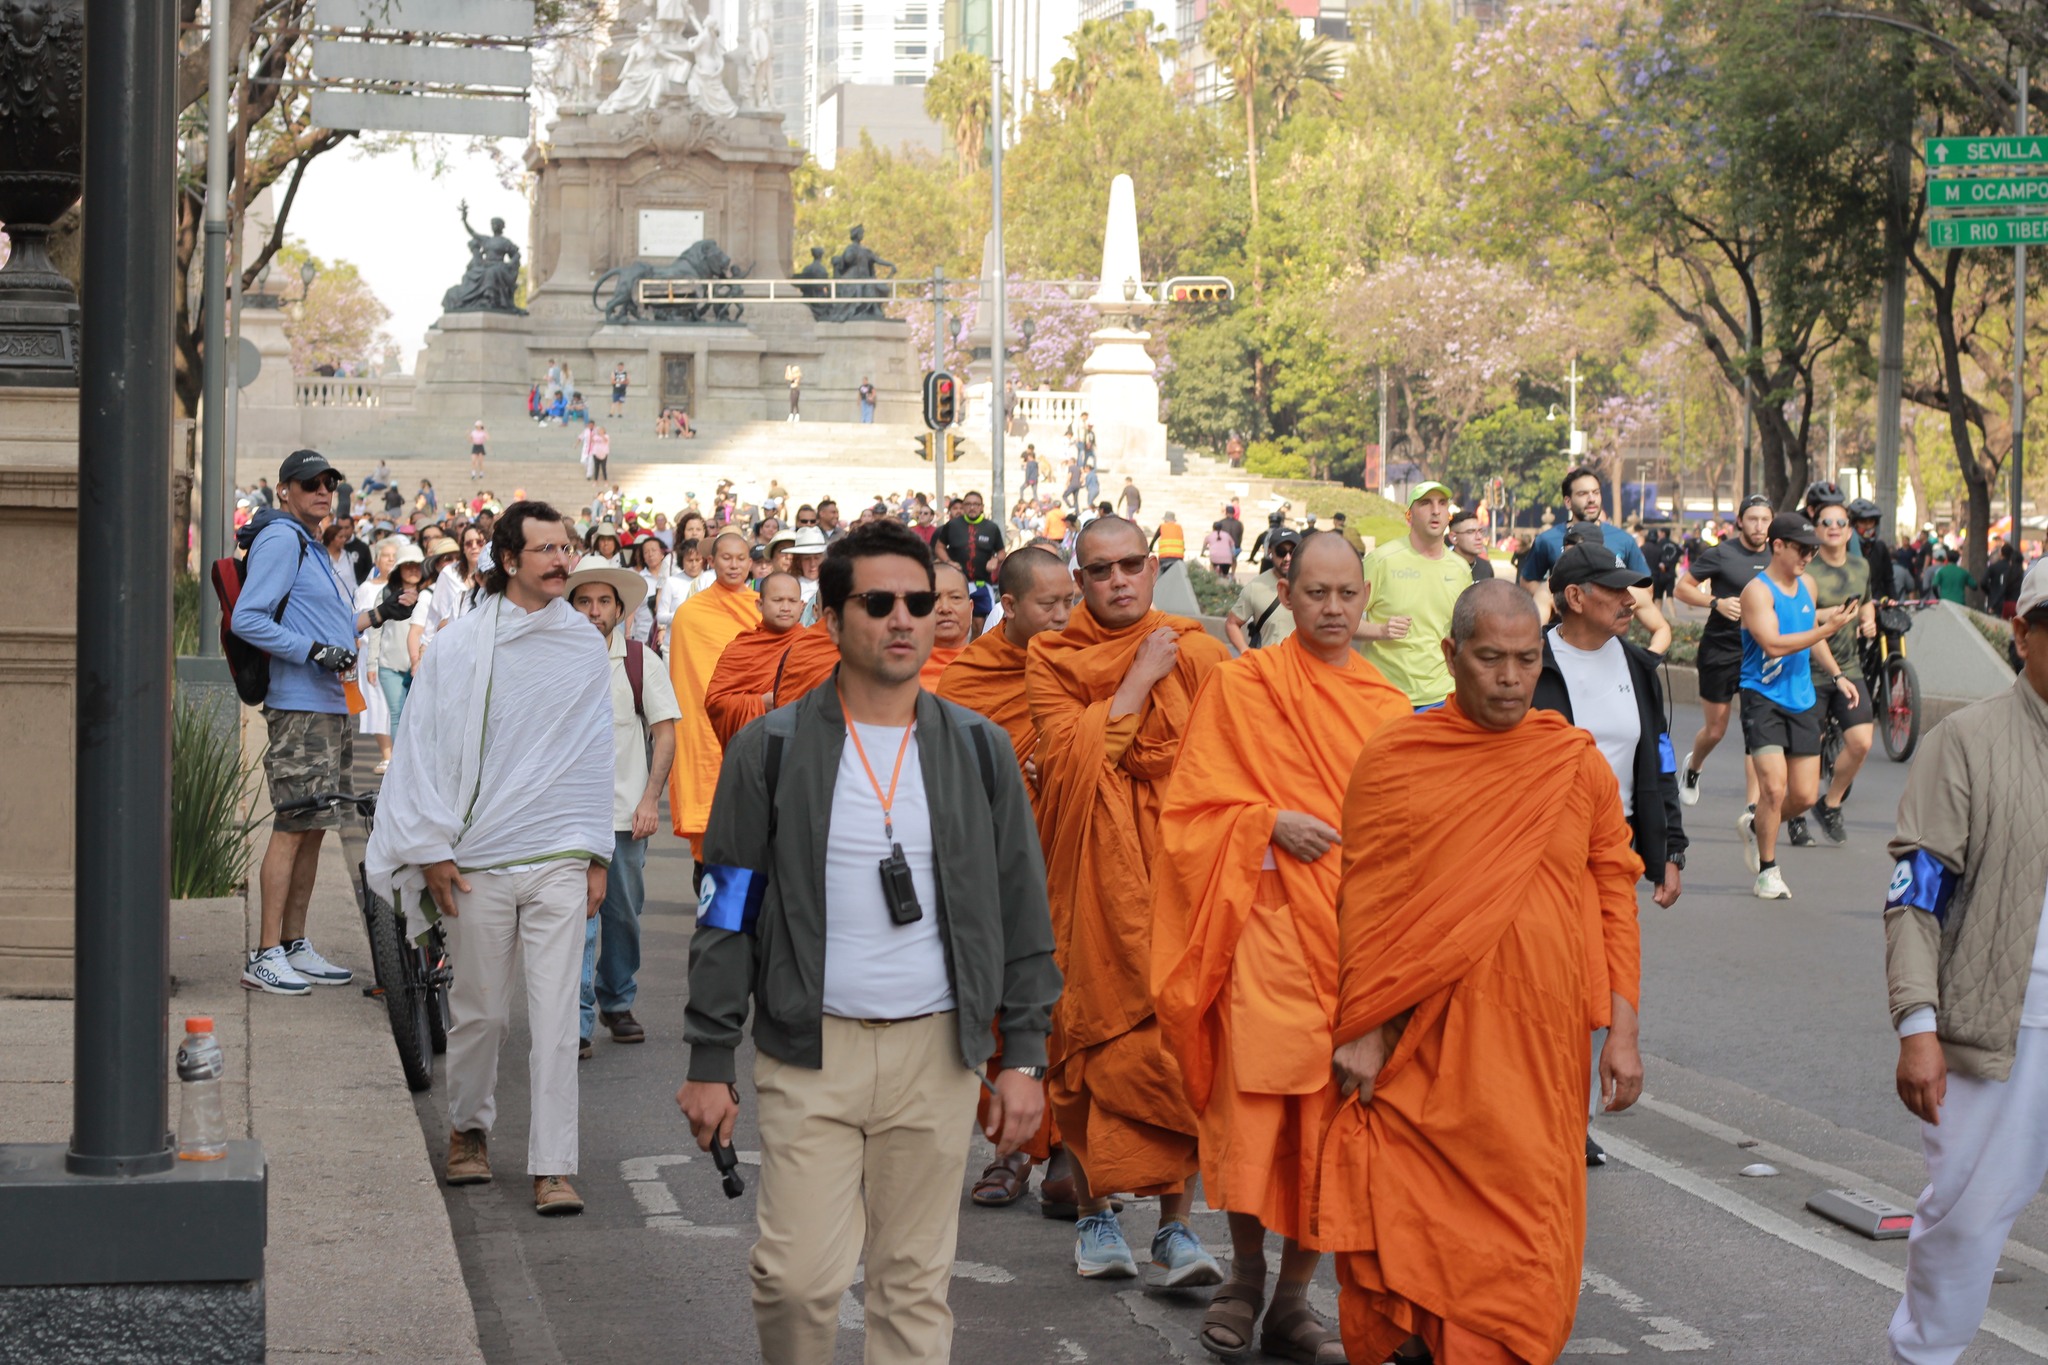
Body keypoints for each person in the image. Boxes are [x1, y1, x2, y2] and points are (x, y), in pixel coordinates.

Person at [677, 519, 1059, 1365]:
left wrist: (1026, 1057)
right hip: (810, 1052)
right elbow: (727, 913)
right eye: (878, 602)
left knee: (912, 1287)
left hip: (937, 1055)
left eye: (918, 602)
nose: (903, 619)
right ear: (832, 617)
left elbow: (1022, 911)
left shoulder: (979, 748)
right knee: (795, 1281)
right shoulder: (770, 749)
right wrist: (709, 1056)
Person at [1323, 580, 1644, 1365]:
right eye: (1491, 658)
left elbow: (1615, 890)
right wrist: (1361, 1025)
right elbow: (1366, 899)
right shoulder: (1398, 759)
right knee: (1411, 1215)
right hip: (1423, 1040)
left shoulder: (1571, 763)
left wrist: (1624, 1029)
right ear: (1450, 654)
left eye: (1526, 660)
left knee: (1526, 1229)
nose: (1509, 678)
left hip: (1539, 1046)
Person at [1152, 533, 1409, 1364]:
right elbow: (1190, 810)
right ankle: (1244, 1275)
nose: (1333, 608)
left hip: (1349, 941)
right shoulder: (1244, 685)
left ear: (1365, 599)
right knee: (1257, 1110)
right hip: (1262, 931)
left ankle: (1294, 1297)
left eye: (1347, 594)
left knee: (1329, 1124)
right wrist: (1265, 822)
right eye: (1316, 593)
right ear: (1286, 595)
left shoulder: (1386, 707)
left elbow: (1403, 843)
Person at [366, 501, 612, 1216]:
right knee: (481, 1014)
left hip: (560, 852)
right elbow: (422, 746)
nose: (562, 561)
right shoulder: (458, 645)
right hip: (476, 858)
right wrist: (431, 849)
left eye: (566, 548)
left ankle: (553, 1165)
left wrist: (597, 852)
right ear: (509, 560)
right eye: (547, 550)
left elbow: (594, 754)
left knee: (557, 1016)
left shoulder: (582, 645)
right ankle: (468, 1130)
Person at [1025, 515, 1230, 1285]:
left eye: (1131, 564)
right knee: (1090, 1040)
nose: (1118, 580)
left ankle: (1177, 1229)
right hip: (1092, 875)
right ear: (1079, 580)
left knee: (1183, 1045)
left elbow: (1227, 759)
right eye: (1101, 569)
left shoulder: (1201, 652)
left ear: (1152, 568)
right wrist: (1139, 678)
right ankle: (1094, 1215)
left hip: (1181, 869)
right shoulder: (1053, 656)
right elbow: (1073, 760)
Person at [1885, 560, 2048, 1365]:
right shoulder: (1966, 742)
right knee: (1964, 1223)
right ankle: (1925, 1355)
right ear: (2022, 634)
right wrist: (1918, 1024)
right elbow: (1916, 895)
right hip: (1997, 1027)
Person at [230, 450, 418, 994]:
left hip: (330, 703)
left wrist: (378, 615)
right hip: (300, 704)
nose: (322, 491)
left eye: (329, 483)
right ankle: (265, 953)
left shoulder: (311, 545)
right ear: (284, 490)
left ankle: (293, 943)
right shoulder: (281, 539)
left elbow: (330, 626)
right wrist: (312, 651)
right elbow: (247, 618)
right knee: (293, 825)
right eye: (309, 482)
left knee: (314, 827)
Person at [937, 545, 1075, 1208]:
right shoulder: (970, 675)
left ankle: (1070, 1151)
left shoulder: (1088, 662)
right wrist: (1009, 775)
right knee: (1002, 1000)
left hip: (1078, 855)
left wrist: (1069, 764)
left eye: (1070, 601)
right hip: (1002, 864)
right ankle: (1009, 1150)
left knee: (1075, 1005)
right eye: (1050, 605)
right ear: (1011, 605)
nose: (1064, 616)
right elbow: (948, 774)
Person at [564, 555, 680, 1056]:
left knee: (623, 914)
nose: (594, 611)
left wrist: (651, 799)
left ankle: (617, 999)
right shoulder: (551, 660)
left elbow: (665, 734)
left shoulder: (640, 661)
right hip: (566, 818)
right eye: (583, 601)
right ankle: (577, 1020)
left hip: (626, 817)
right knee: (577, 920)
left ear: (618, 609)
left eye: (603, 602)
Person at [1736, 513, 1861, 900]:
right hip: (1762, 697)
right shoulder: (1757, 592)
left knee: (1805, 796)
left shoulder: (1807, 584)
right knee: (1774, 788)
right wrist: (1826, 628)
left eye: (1813, 551)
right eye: (1802, 549)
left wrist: (1838, 675)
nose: (1809, 557)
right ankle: (1768, 871)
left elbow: (1810, 637)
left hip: (1802, 698)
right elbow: (1773, 644)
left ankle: (1756, 825)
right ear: (1778, 546)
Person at [1674, 494, 1775, 810]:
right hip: (1721, 648)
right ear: (1740, 522)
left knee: (1755, 731)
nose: (1759, 526)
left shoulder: (1779, 555)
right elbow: (1682, 588)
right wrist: (1715, 602)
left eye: (1765, 520)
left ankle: (1751, 810)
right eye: (1753, 519)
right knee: (1716, 730)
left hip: (1760, 653)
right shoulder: (1721, 553)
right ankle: (1694, 766)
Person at [666, 532, 762, 861]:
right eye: (726, 558)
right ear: (711, 561)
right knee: (709, 838)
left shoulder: (762, 608)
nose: (734, 565)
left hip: (753, 721)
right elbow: (686, 683)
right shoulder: (691, 614)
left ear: (750, 563)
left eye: (741, 558)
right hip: (704, 728)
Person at [1519, 466, 1670, 650]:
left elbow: (1646, 589)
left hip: (1610, 641)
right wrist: (1559, 599)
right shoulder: (1547, 540)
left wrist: (1608, 599)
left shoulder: (1624, 540)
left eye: (1596, 493)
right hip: (1563, 640)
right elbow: (1527, 581)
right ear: (1568, 501)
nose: (1591, 499)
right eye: (1583, 494)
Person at [1803, 502, 1880, 846]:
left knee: (1862, 742)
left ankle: (1830, 803)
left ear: (1849, 531)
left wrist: (1868, 620)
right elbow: (1801, 617)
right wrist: (1828, 615)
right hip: (1808, 670)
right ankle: (1794, 813)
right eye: (1826, 522)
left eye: (1840, 522)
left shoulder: (1861, 566)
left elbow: (1865, 601)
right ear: (1817, 529)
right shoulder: (1808, 572)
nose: (1834, 526)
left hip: (1849, 667)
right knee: (1808, 751)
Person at [1359, 483, 1471, 709]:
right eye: (1426, 503)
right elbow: (1343, 621)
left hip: (1443, 695)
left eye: (1442, 503)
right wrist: (1380, 630)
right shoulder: (1381, 561)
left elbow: (1465, 633)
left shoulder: (1460, 569)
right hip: (1387, 694)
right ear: (1409, 515)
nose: (1436, 510)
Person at [704, 572, 813, 744]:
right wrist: (760, 703)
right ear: (759, 605)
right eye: (777, 600)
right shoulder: (741, 649)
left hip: (802, 743)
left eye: (792, 601)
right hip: (756, 746)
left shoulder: (810, 645)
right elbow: (716, 702)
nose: (785, 607)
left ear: (802, 606)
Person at [935, 490, 1005, 625]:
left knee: (980, 623)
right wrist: (949, 562)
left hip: (982, 584)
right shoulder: (952, 525)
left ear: (982, 507)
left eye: (976, 504)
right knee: (957, 620)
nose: (972, 507)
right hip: (957, 583)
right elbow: (939, 547)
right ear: (963, 507)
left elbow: (1002, 552)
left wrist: (995, 560)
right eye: (968, 504)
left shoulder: (991, 527)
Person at [1225, 530, 1298, 653]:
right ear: (1269, 551)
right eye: (1281, 552)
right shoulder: (1255, 587)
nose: (1287, 558)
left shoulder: (1315, 583)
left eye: (1293, 552)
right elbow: (1232, 624)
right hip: (1272, 662)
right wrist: (1246, 652)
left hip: (1308, 663)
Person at [918, 562, 973, 688]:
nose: (945, 608)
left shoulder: (992, 666)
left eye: (955, 597)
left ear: (971, 609)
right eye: (934, 599)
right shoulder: (900, 673)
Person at [1448, 509, 1494, 580]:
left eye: (1480, 531)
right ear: (1454, 538)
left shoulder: (1485, 568)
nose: (1479, 537)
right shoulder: (1442, 567)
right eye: (1470, 532)